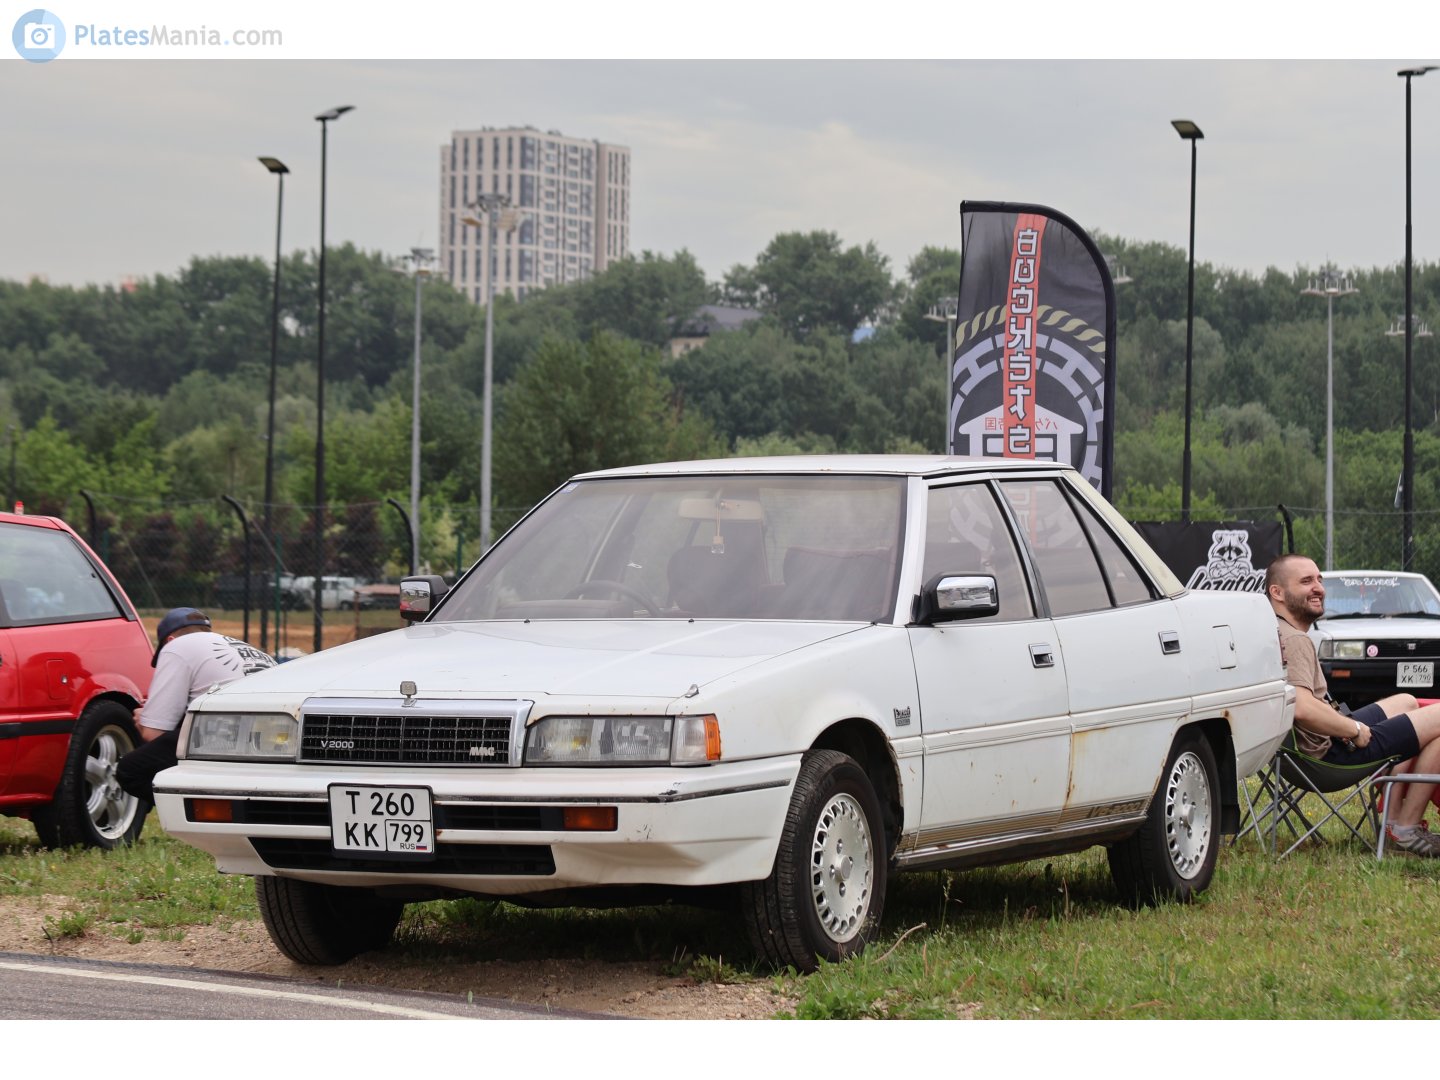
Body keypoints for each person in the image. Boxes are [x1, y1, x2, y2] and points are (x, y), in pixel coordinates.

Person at [1266, 554, 1440, 856]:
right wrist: (1354, 728)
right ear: (1277, 592)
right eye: (1306, 581)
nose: (1318, 587)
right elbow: (1303, 707)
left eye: (1319, 579)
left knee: (1407, 701)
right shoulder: (1293, 640)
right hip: (1326, 757)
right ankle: (1405, 827)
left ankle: (1394, 821)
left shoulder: (1273, 631)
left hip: (1298, 753)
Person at [116, 608, 277, 805]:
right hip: (276, 739)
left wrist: (145, 719)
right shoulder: (246, 649)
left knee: (131, 770)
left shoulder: (176, 646)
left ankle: (207, 814)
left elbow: (153, 733)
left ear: (169, 640)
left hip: (231, 732)